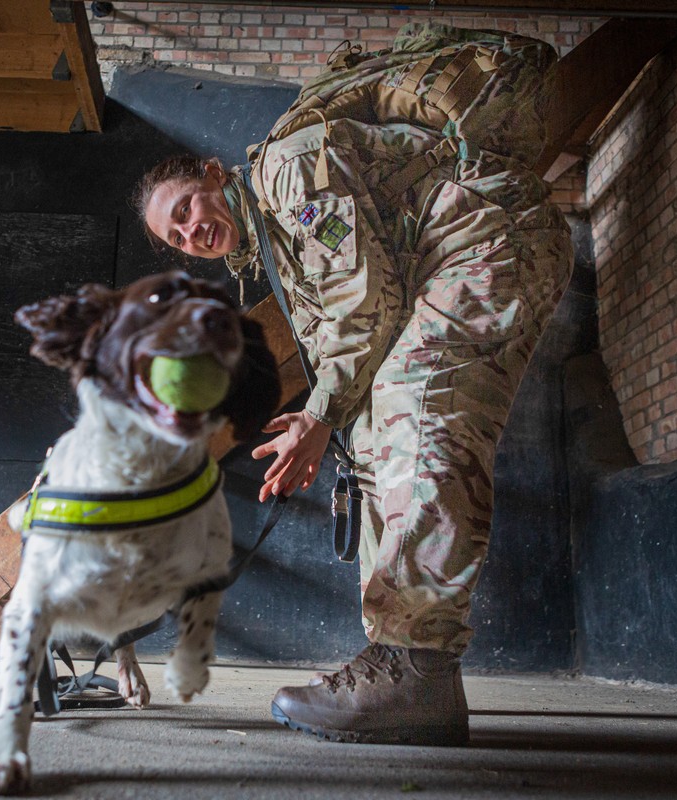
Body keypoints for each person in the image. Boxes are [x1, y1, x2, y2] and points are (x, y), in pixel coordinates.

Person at [133, 30, 573, 746]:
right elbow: (358, 321)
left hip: (484, 242)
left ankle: (416, 667)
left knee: (417, 412)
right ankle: (403, 661)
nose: (192, 230)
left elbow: (365, 306)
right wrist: (331, 419)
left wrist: (314, 416)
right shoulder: (269, 247)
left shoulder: (285, 171)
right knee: (376, 437)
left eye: (185, 207)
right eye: (177, 236)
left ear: (213, 175)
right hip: (453, 264)